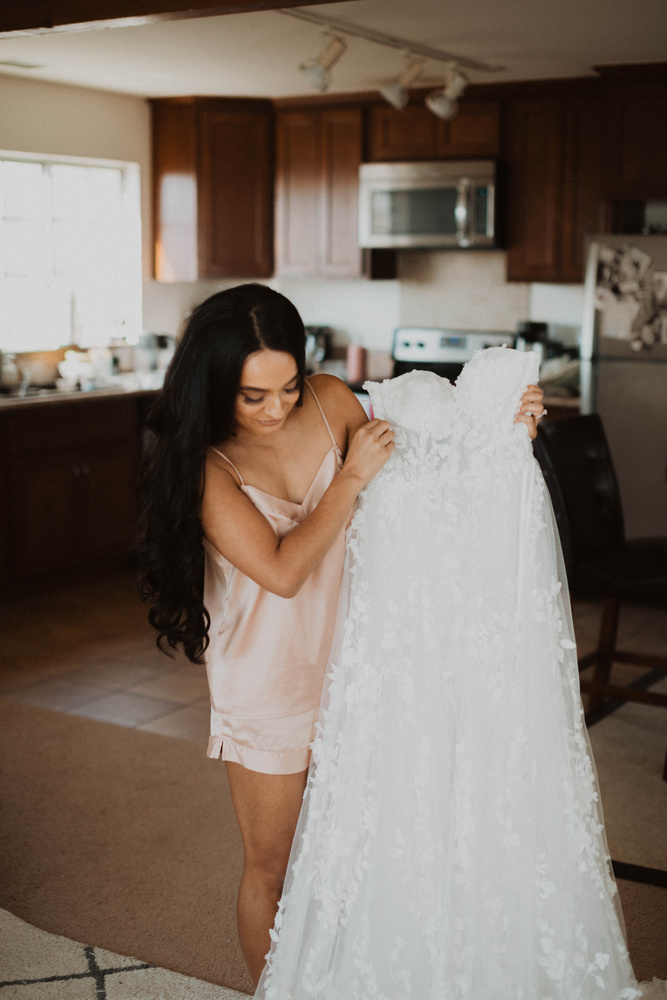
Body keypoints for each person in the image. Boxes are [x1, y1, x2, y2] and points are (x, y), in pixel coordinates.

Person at [138, 283, 545, 986]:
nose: (275, 409)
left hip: (362, 668)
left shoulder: (330, 401)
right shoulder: (208, 469)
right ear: (214, 387)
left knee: (359, 854)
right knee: (274, 866)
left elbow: (425, 463)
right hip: (269, 688)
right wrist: (347, 479)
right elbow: (283, 571)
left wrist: (507, 426)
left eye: (287, 387)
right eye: (251, 396)